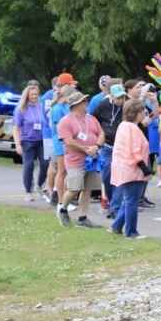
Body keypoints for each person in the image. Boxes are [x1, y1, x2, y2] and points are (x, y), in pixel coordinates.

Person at [56, 91, 105, 228]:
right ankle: (62, 209)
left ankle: (83, 218)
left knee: (88, 189)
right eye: (83, 101)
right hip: (75, 160)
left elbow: (101, 133)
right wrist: (85, 149)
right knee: (74, 188)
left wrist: (97, 145)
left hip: (92, 159)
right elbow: (68, 141)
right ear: (76, 104)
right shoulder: (66, 121)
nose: (86, 103)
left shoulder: (91, 119)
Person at [108, 99, 151, 239]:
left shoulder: (124, 125)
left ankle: (116, 226)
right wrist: (144, 168)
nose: (144, 114)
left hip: (124, 167)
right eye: (143, 112)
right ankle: (131, 231)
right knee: (132, 201)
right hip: (132, 169)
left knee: (128, 200)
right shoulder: (131, 128)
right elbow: (134, 150)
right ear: (137, 113)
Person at [95, 81, 127, 216]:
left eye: (123, 97)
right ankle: (111, 201)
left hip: (121, 147)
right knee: (107, 175)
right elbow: (93, 119)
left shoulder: (127, 106)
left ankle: (115, 208)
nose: (121, 100)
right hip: (107, 146)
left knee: (119, 177)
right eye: (118, 97)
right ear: (111, 97)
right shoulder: (103, 105)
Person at [12, 82, 48, 200]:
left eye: (36, 94)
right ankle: (28, 191)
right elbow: (16, 128)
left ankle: (39, 185)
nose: (34, 96)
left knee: (45, 163)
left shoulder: (41, 106)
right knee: (29, 165)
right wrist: (17, 144)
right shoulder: (21, 109)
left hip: (41, 140)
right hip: (27, 141)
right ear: (27, 95)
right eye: (32, 94)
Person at [49, 79, 75, 211]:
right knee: (61, 172)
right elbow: (60, 128)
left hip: (66, 143)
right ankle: (60, 201)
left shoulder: (65, 107)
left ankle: (64, 200)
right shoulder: (57, 109)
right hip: (60, 143)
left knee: (66, 172)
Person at [39, 75, 60, 202]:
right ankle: (48, 188)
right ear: (54, 86)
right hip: (50, 134)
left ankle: (52, 189)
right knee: (52, 162)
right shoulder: (48, 96)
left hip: (56, 134)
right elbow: (47, 115)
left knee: (55, 163)